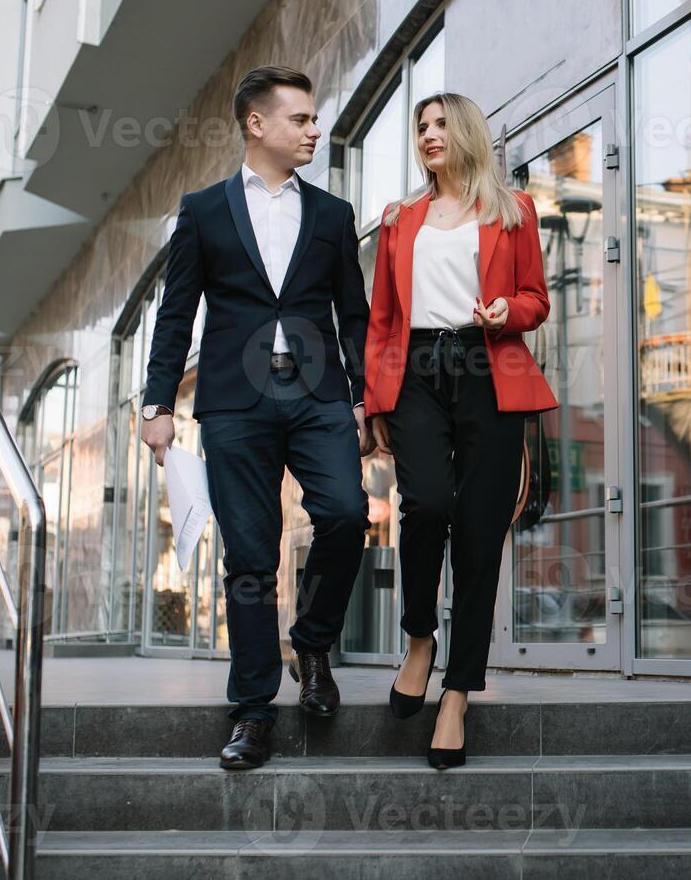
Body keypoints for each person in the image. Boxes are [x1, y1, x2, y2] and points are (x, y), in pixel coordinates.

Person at [140, 66, 374, 771]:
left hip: (319, 394)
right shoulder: (204, 210)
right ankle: (251, 710)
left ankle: (312, 640)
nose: (313, 130)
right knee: (248, 557)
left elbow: (353, 314)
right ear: (256, 124)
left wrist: (364, 397)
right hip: (234, 402)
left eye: (313, 119)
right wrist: (157, 404)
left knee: (344, 514)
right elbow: (176, 312)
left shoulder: (333, 215)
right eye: (300, 119)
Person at [362, 91, 557, 769]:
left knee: (479, 534)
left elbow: (537, 300)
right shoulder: (399, 219)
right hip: (416, 370)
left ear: (467, 132)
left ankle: (458, 691)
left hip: (487, 369)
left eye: (440, 123)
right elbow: (383, 318)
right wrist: (374, 402)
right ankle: (421, 637)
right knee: (426, 506)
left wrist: (506, 308)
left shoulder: (513, 212)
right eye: (420, 125)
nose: (428, 134)